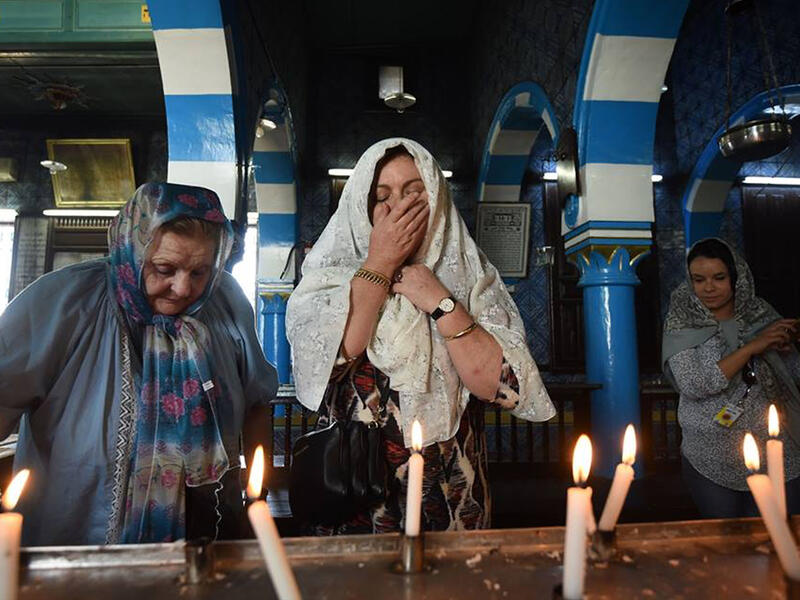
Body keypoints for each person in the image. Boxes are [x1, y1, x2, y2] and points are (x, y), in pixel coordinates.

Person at [286, 139, 555, 534]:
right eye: (382, 197)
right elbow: (328, 365)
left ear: (438, 199)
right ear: (361, 206)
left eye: (414, 192)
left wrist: (440, 301)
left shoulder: (473, 277)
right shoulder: (328, 276)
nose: (398, 207)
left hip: (452, 495)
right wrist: (380, 263)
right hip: (355, 492)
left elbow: (505, 388)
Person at [0, 182, 277, 545]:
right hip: (77, 536)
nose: (182, 288)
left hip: (205, 533)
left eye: (199, 272)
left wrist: (256, 499)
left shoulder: (225, 302)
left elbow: (257, 404)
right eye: (164, 268)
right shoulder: (62, 302)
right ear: (131, 249)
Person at [662, 237, 800, 518]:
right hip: (711, 457)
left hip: (777, 451)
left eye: (719, 278)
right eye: (699, 280)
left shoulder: (760, 315)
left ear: (736, 278)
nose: (709, 288)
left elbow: (795, 375)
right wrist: (751, 347)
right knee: (727, 537)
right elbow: (694, 384)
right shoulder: (681, 323)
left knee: (781, 534)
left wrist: (785, 352)